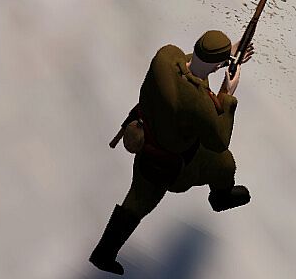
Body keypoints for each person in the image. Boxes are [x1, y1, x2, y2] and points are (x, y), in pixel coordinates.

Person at [90, 30, 254, 275]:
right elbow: (218, 140)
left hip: (146, 141)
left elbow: (190, 65)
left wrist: (228, 53)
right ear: (217, 65)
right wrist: (228, 94)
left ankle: (103, 253)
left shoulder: (165, 58)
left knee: (136, 202)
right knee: (223, 162)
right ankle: (221, 197)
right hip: (171, 163)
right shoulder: (199, 103)